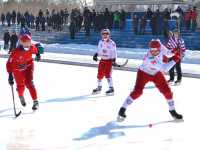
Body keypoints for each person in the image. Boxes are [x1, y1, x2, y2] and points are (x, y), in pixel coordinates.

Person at [117, 39, 183, 121]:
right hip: (144, 73)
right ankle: (122, 109)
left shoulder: (160, 46)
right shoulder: (150, 58)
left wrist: (174, 51)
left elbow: (168, 54)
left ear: (160, 48)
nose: (153, 52)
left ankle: (172, 110)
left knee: (167, 91)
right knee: (137, 92)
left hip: (155, 73)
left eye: (155, 50)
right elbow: (165, 69)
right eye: (151, 50)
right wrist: (176, 58)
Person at [6, 34, 41, 110]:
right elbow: (9, 63)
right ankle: (21, 96)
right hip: (17, 70)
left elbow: (35, 49)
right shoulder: (15, 52)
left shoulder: (31, 47)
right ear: (21, 43)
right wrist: (10, 74)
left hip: (28, 66)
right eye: (26, 45)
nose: (28, 47)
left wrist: (38, 54)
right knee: (21, 86)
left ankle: (35, 102)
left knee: (29, 83)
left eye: (29, 43)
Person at [92, 29, 117, 95]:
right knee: (99, 75)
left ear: (109, 35)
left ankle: (111, 88)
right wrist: (96, 55)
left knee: (108, 75)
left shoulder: (112, 43)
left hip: (109, 61)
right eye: (103, 34)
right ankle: (99, 87)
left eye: (106, 34)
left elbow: (114, 52)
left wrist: (114, 60)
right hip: (102, 60)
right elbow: (99, 50)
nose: (105, 35)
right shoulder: (100, 42)